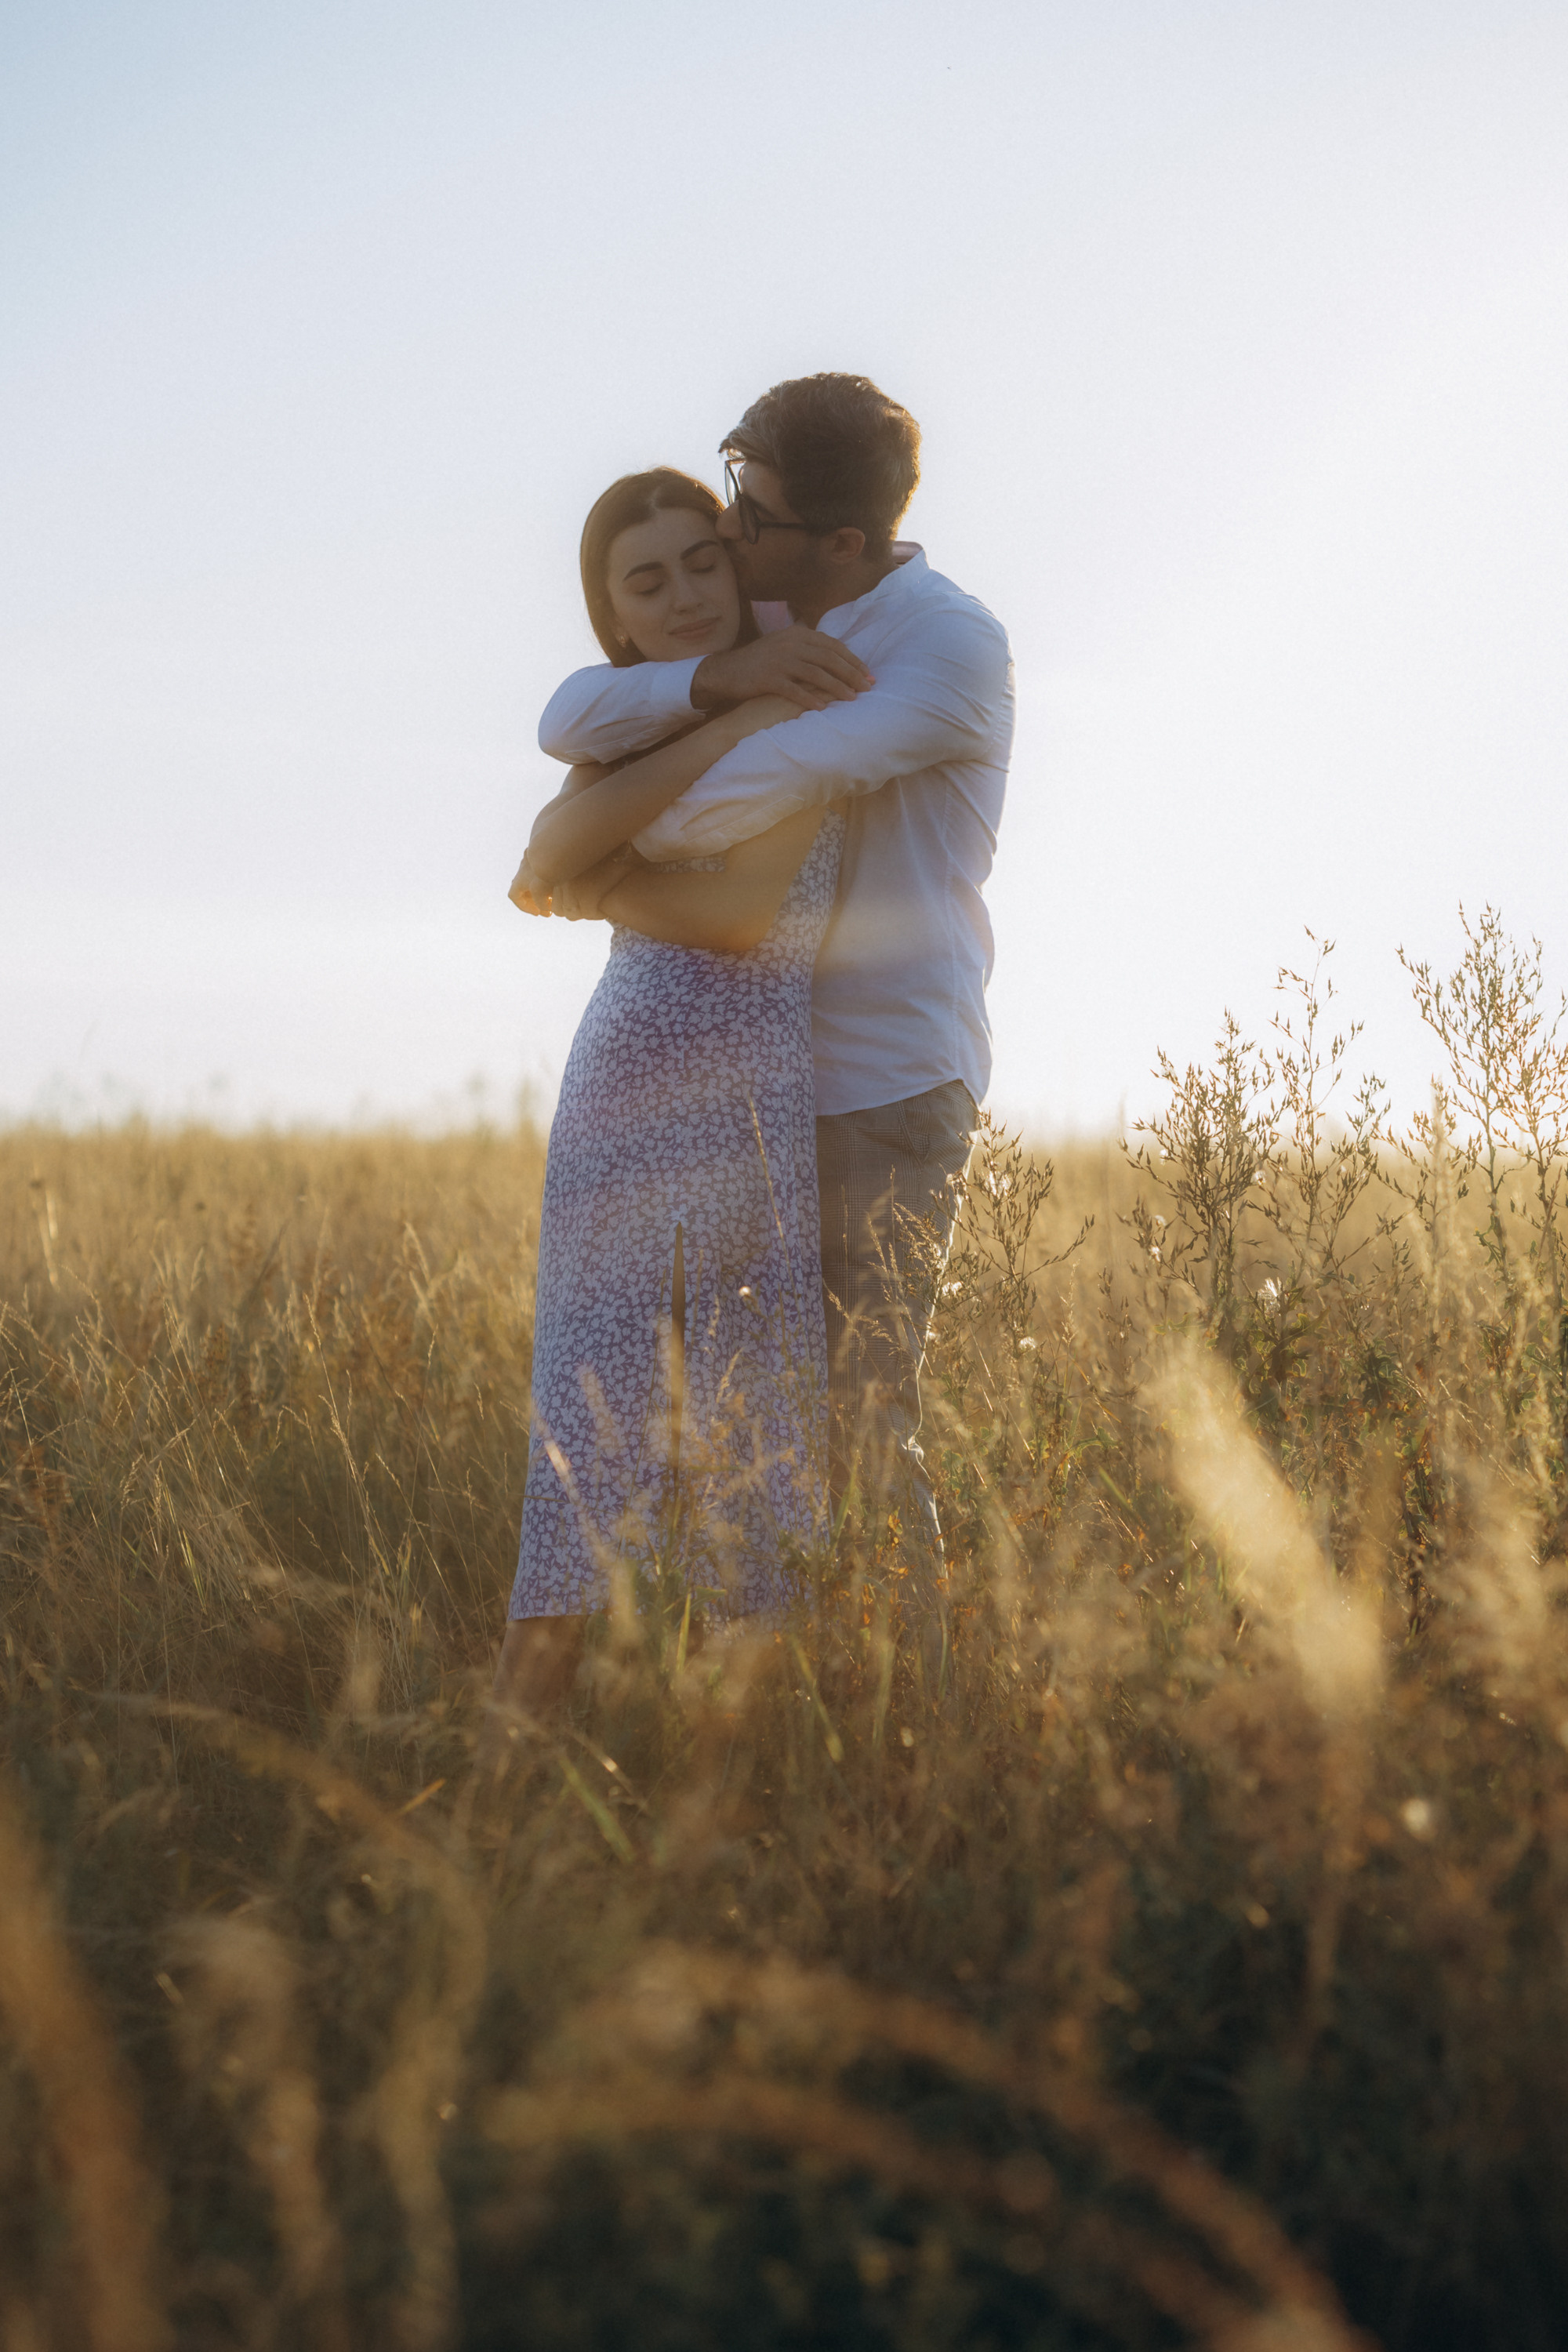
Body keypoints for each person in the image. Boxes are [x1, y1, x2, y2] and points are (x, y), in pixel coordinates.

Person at [519, 376, 1015, 1668]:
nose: (728, 538)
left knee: (851, 1423)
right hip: (752, 1089)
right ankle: (798, 1732)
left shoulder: (942, 650)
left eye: (752, 513)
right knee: (750, 1446)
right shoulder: (784, 610)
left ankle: (916, 1745)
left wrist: (592, 865)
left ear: (839, 542)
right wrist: (720, 680)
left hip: (879, 1082)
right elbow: (578, 712)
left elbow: (758, 785)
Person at [494, 466, 847, 1716]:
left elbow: (742, 918)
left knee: (750, 1443)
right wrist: (721, 718)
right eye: (649, 581)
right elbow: (545, 848)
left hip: (752, 1102)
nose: (688, 593)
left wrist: (600, 886)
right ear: (618, 619)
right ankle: (510, 1794)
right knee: (585, 1442)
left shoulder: (805, 687)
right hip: (623, 1090)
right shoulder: (643, 720)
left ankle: (729, 1802)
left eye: (703, 558)